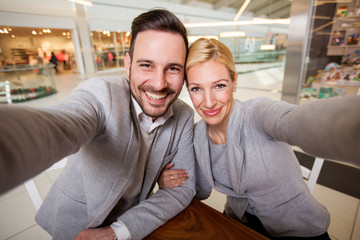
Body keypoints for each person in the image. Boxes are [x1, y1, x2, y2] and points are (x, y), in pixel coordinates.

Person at [0, 9, 195, 240]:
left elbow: (182, 190)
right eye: (146, 65)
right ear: (128, 64)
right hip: (76, 226)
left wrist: (117, 232)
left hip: (135, 223)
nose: (159, 83)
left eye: (173, 68)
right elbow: (58, 125)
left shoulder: (183, 116)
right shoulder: (102, 95)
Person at [159, 38, 360, 239]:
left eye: (219, 86)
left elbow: (298, 121)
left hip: (298, 229)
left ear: (235, 81)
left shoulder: (257, 115)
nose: (209, 102)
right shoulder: (198, 135)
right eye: (196, 89)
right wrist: (170, 180)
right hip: (240, 224)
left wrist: (350, 127)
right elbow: (201, 191)